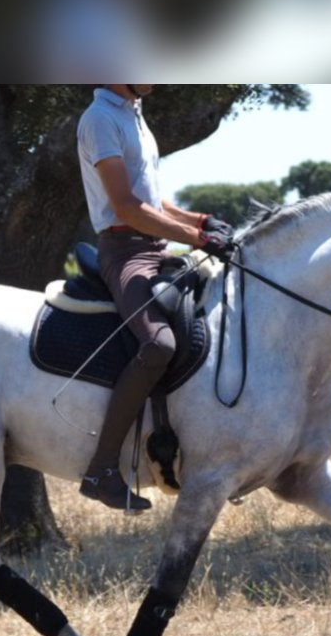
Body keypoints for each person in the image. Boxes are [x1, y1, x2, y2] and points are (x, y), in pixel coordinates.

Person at [76, 85, 235, 511]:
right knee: (158, 344)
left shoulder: (133, 113)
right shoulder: (101, 119)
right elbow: (127, 207)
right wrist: (196, 238)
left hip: (156, 246)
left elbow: (150, 198)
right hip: (124, 250)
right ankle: (102, 470)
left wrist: (199, 220)